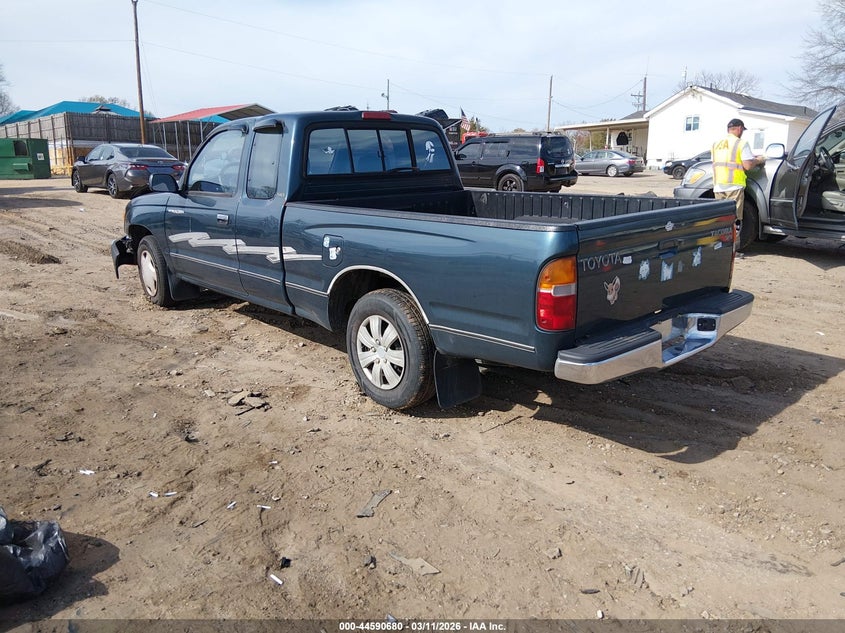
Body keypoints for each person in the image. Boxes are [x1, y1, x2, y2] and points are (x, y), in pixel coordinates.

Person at [712, 118, 766, 242]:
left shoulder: (716, 144)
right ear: (740, 128)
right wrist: (759, 160)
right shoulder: (741, 143)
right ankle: (732, 247)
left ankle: (720, 245)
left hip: (718, 185)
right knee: (733, 219)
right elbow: (747, 165)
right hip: (734, 186)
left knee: (721, 219)